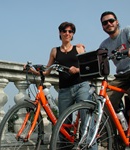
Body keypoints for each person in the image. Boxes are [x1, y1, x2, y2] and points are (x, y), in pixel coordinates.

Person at [25, 21, 97, 150]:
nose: (67, 34)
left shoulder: (79, 48)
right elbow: (47, 71)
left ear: (73, 34)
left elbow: (88, 67)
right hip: (64, 90)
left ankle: (92, 147)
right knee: (63, 124)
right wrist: (32, 70)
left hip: (81, 86)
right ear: (60, 33)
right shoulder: (54, 51)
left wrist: (77, 70)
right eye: (65, 31)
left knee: (86, 117)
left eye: (70, 31)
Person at [99, 11, 130, 113]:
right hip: (121, 76)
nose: (108, 24)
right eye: (105, 23)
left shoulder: (126, 31)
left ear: (117, 22)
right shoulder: (104, 44)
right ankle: (111, 128)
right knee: (105, 101)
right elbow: (97, 59)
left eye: (111, 21)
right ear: (103, 27)